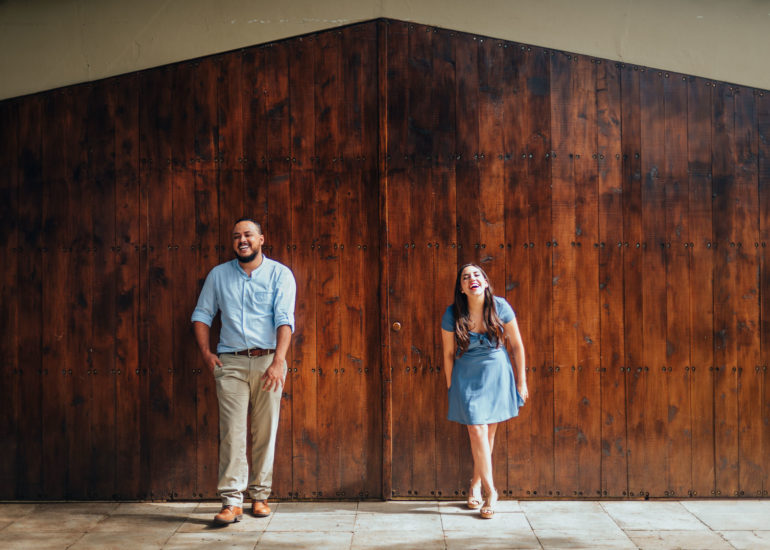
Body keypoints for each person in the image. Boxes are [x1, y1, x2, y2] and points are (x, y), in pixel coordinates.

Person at [192, 218, 296, 525]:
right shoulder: (218, 275)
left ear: (262, 239)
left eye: (248, 234)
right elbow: (202, 314)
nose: (242, 240)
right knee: (232, 432)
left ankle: (260, 496)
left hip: (269, 363)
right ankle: (232, 501)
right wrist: (207, 354)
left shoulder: (280, 274)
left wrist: (279, 361)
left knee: (265, 429)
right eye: (236, 236)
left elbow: (284, 319)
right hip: (231, 363)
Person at [440, 263, 528, 519]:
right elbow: (447, 354)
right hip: (465, 374)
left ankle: (475, 484)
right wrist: (451, 385)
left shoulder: (500, 306)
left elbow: (518, 346)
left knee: (487, 434)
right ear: (461, 287)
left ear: (485, 282)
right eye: (466, 277)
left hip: (497, 373)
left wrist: (521, 382)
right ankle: (491, 491)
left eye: (477, 274)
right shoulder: (452, 313)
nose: (472, 279)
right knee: (476, 430)